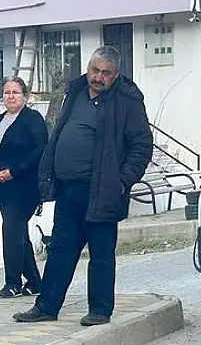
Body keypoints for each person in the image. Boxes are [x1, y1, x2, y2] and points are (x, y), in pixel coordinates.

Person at [13, 46, 152, 327]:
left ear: (116, 75)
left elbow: (141, 146)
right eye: (94, 70)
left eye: (105, 73)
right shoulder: (74, 91)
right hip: (68, 189)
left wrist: (121, 181)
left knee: (100, 254)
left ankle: (100, 309)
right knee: (61, 249)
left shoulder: (127, 100)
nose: (98, 77)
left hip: (103, 190)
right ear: (87, 68)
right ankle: (47, 306)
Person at [0, 77, 47, 298]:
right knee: (18, 233)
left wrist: (14, 171)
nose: (10, 96)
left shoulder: (33, 119)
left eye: (15, 92)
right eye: (7, 92)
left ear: (25, 96)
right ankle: (36, 282)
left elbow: (39, 151)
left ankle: (13, 282)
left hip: (24, 185)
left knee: (11, 230)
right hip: (2, 187)